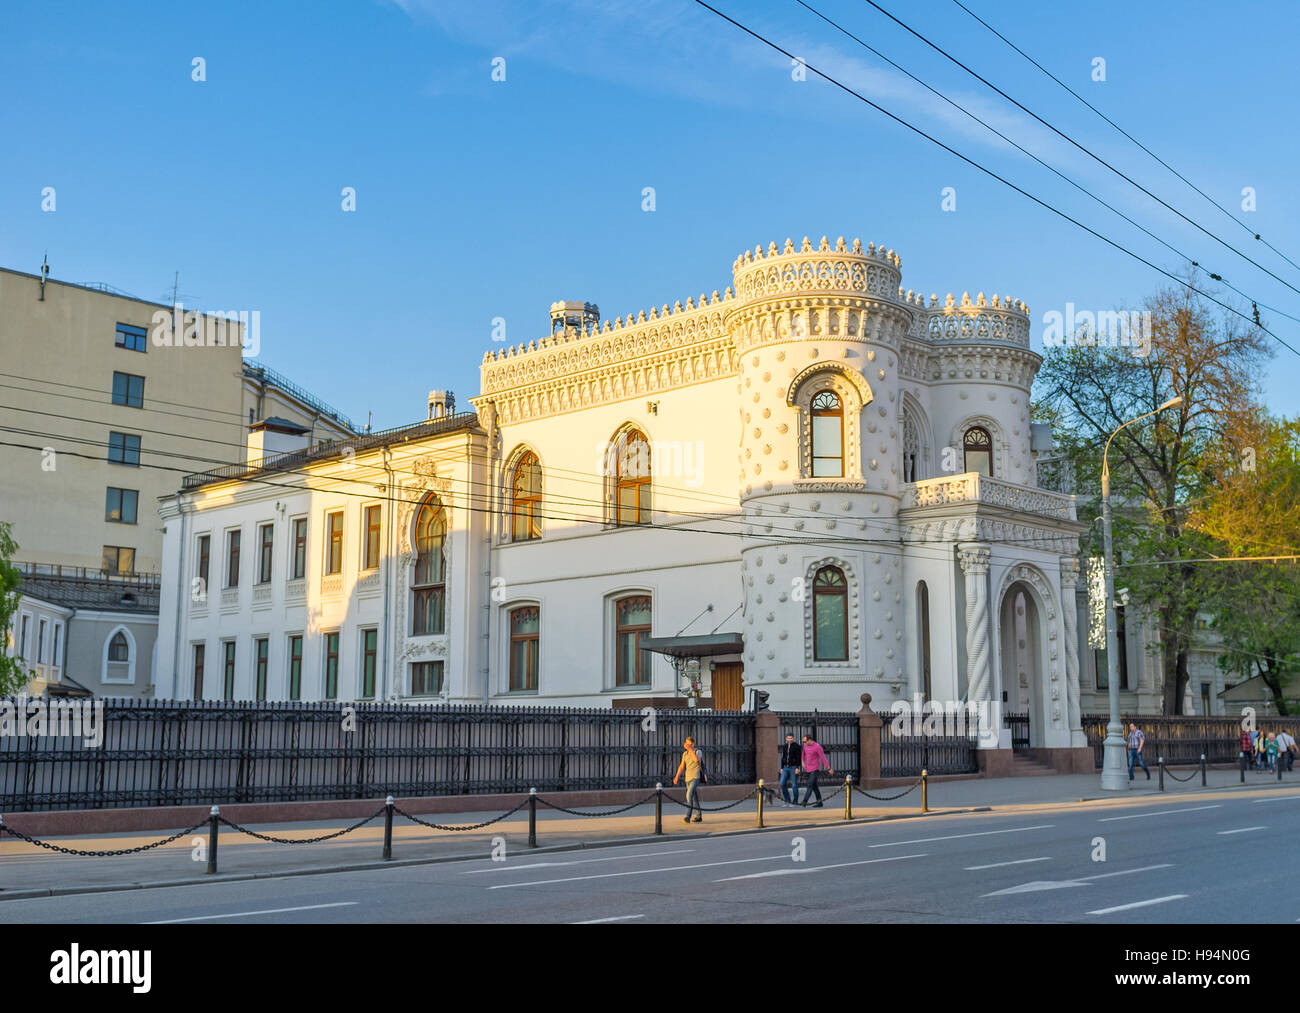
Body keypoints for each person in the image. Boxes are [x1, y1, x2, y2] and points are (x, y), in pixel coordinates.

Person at [672, 736, 706, 824]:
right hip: (688, 778)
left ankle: (687, 816)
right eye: (687, 744)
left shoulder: (698, 752)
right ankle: (698, 816)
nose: (689, 746)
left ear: (693, 744)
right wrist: (676, 776)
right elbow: (682, 766)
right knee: (694, 797)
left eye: (690, 744)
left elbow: (696, 760)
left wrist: (690, 750)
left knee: (689, 795)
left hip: (695, 777)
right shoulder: (684, 754)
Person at [799, 732, 833, 807]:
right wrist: (802, 761)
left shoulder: (817, 747)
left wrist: (829, 768)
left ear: (809, 740)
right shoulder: (805, 745)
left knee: (810, 785)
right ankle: (819, 802)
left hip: (815, 769)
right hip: (808, 768)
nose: (804, 743)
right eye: (803, 741)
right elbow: (803, 753)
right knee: (815, 787)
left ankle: (804, 801)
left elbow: (823, 758)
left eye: (805, 741)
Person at [778, 733, 802, 807]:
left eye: (791, 738)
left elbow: (799, 757)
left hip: (793, 767)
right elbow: (783, 757)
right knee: (782, 783)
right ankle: (787, 801)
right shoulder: (785, 746)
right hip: (785, 768)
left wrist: (798, 767)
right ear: (786, 738)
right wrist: (781, 767)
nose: (789, 739)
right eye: (788, 738)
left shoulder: (796, 746)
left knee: (794, 785)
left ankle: (795, 802)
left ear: (793, 738)